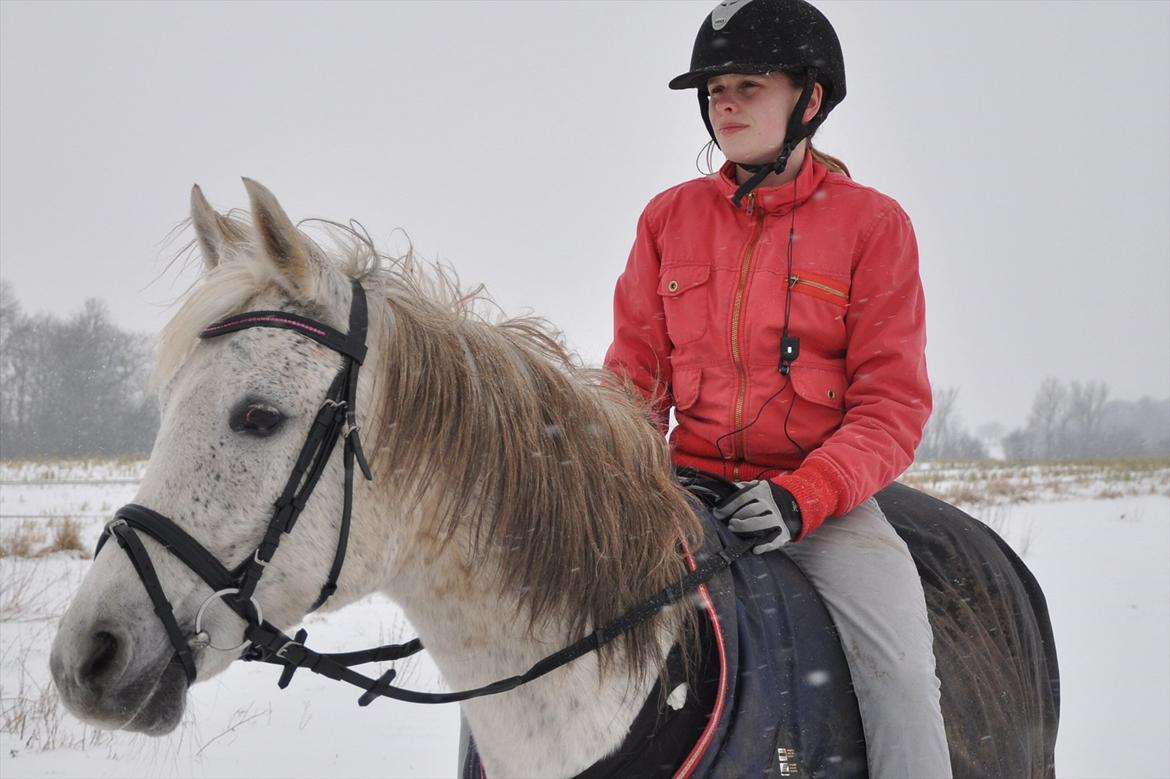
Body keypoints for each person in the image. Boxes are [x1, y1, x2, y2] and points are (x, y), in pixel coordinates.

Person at [603, 0, 951, 776]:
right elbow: (632, 383)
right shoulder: (667, 219)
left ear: (811, 99)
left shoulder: (874, 226)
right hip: (682, 490)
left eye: (748, 85)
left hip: (823, 508)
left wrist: (804, 495)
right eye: (715, 87)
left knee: (899, 674)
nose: (724, 102)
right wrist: (610, 476)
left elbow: (891, 407)